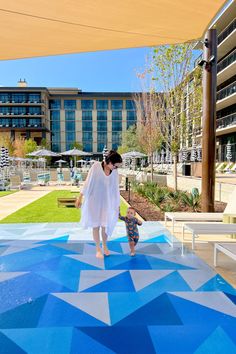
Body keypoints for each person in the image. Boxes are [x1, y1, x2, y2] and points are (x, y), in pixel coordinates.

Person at [75, 150, 122, 258]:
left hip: (107, 203)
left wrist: (117, 205)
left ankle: (105, 245)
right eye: (115, 165)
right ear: (110, 161)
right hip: (94, 202)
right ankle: (97, 248)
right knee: (95, 225)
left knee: (105, 224)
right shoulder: (96, 167)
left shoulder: (114, 172)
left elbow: (115, 189)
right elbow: (87, 182)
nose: (116, 168)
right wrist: (80, 197)